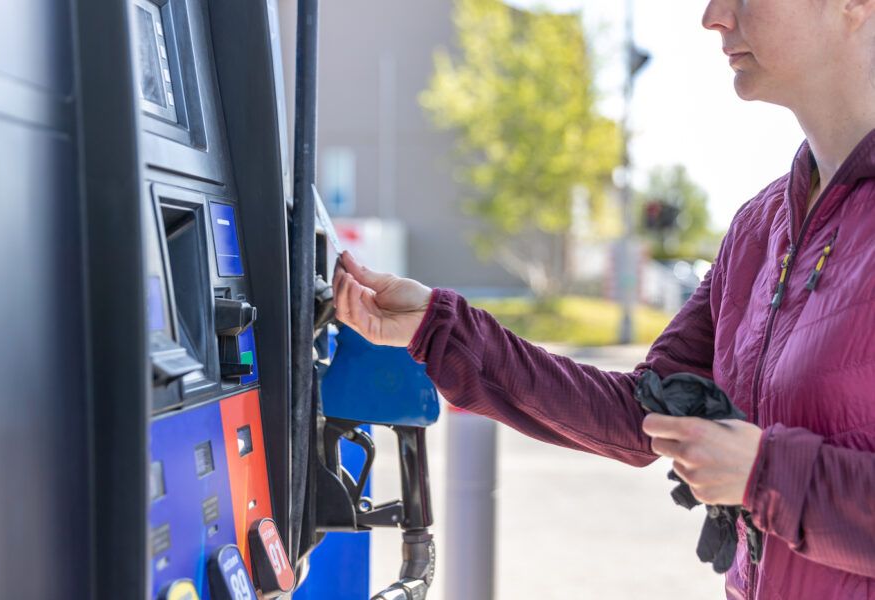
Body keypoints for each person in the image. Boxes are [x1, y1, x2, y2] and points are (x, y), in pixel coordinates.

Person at [331, 0, 875, 597]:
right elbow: (638, 414)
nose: (714, 16)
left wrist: (764, 474)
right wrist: (439, 327)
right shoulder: (760, 228)